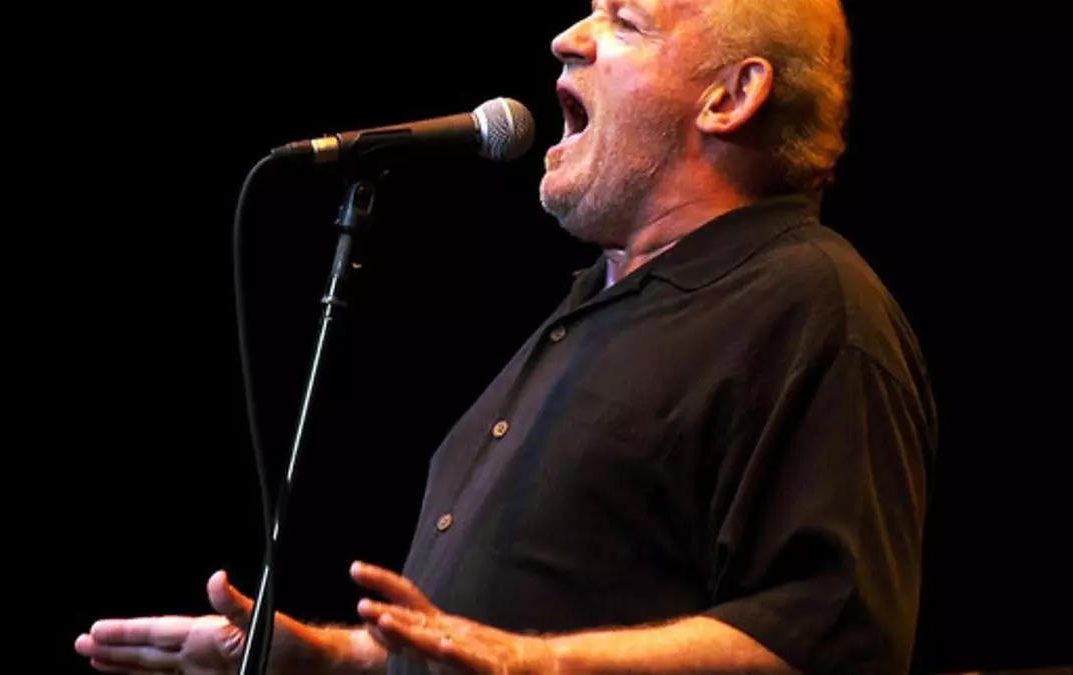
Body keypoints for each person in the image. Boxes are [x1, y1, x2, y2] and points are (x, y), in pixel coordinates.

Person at [75, 0, 938, 673]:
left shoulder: (814, 306)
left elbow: (831, 643)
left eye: (625, 21)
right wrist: (337, 660)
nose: (567, 39)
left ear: (731, 96)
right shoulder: (596, 307)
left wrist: (536, 663)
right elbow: (493, 638)